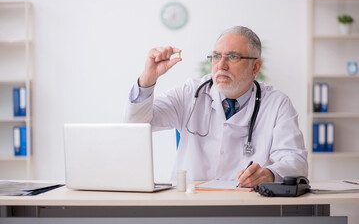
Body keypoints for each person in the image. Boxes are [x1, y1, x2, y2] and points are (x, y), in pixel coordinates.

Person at [124, 26, 308, 187]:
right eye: (216, 56)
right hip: (190, 204)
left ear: (255, 67)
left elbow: (295, 160)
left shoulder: (276, 104)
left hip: (247, 206)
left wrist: (270, 174)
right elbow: (137, 125)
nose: (221, 65)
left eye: (233, 57)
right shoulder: (190, 93)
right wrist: (148, 79)